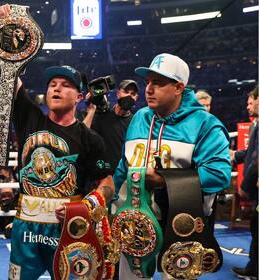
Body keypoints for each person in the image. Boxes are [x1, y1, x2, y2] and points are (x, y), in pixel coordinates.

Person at [0, 5, 114, 280]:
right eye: (52, 84)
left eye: (65, 84)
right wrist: (9, 29)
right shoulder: (30, 118)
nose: (56, 88)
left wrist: (87, 206)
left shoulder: (90, 139)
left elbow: (107, 184)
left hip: (69, 225)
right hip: (26, 226)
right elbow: (9, 75)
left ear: (80, 96)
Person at [113, 53, 231, 279]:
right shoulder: (139, 118)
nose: (148, 89)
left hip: (180, 224)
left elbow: (219, 175)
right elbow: (123, 166)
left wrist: (163, 180)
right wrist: (107, 201)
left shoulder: (205, 124)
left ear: (178, 88)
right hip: (134, 223)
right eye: (148, 82)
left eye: (158, 83)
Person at [230, 86, 258, 280]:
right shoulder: (256, 123)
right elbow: (250, 153)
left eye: (250, 102)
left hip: (255, 183)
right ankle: (253, 266)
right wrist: (234, 156)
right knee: (256, 227)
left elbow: (257, 159)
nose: (247, 106)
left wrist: (245, 185)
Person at [83, 79, 139, 171]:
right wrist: (92, 110)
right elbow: (82, 136)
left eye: (132, 94)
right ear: (118, 93)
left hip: (126, 176)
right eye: (125, 92)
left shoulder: (136, 122)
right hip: (104, 175)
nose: (129, 96)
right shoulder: (102, 116)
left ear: (136, 97)